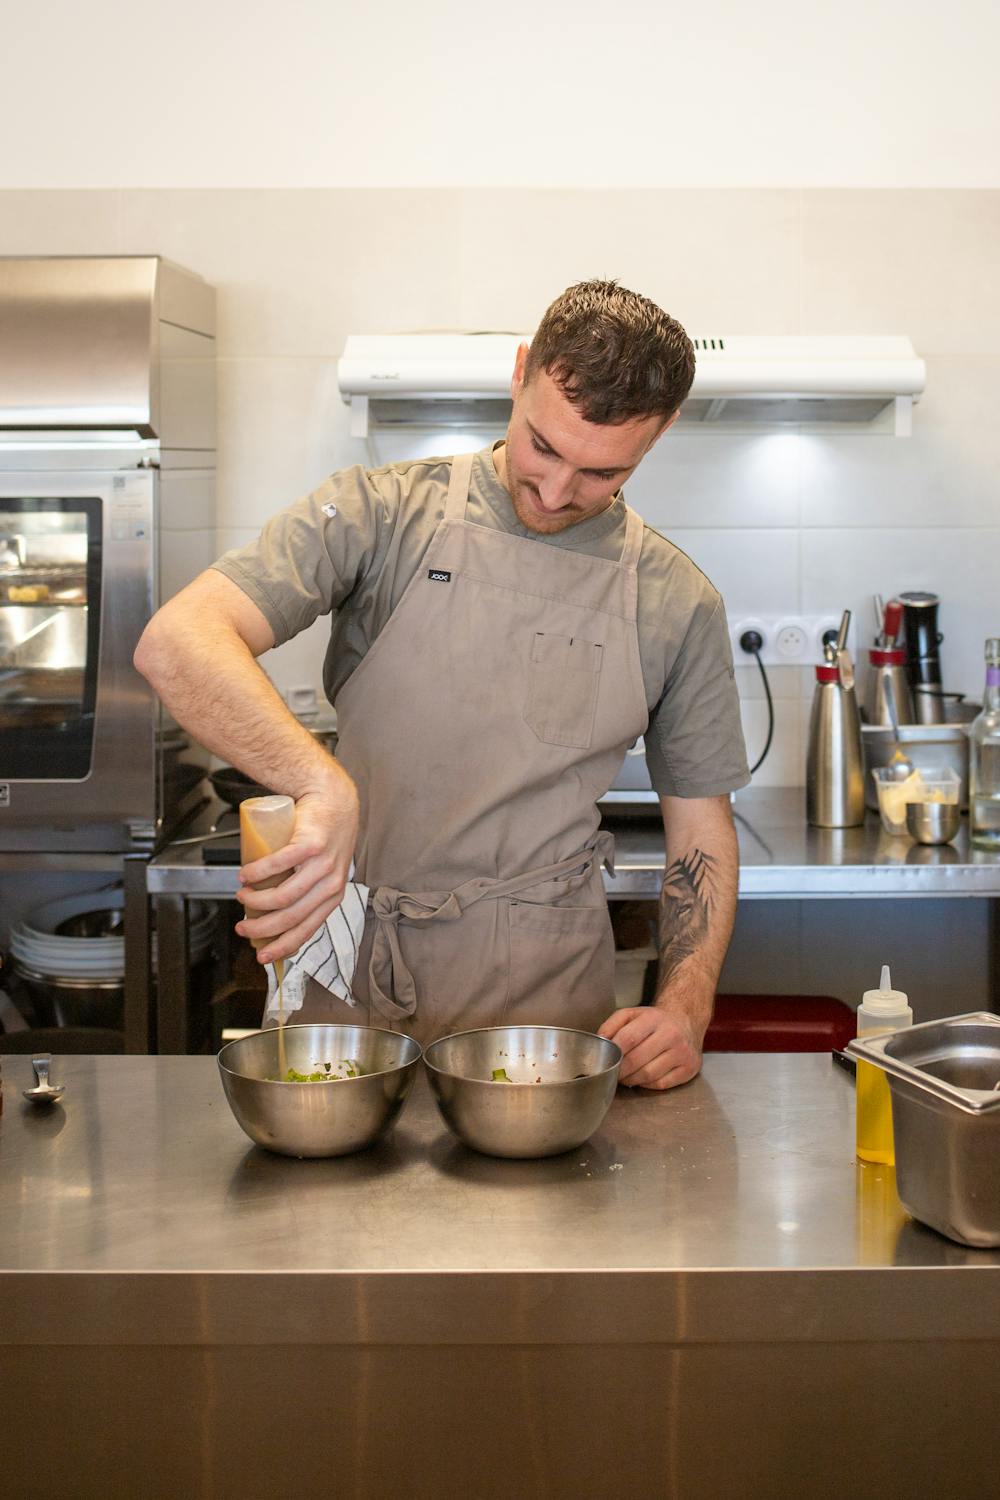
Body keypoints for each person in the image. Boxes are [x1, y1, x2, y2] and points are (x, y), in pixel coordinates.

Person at [135, 280, 749, 1089]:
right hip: (349, 973)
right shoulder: (379, 514)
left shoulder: (677, 599)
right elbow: (178, 643)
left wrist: (686, 1005)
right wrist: (320, 783)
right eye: (543, 447)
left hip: (545, 1012)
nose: (557, 493)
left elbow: (700, 833)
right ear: (521, 371)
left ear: (662, 432)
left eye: (601, 473)